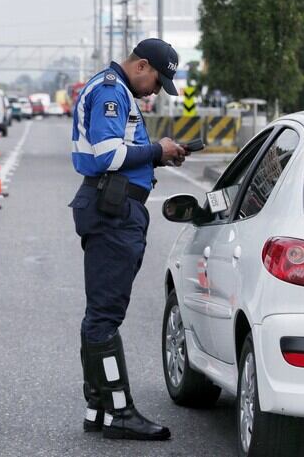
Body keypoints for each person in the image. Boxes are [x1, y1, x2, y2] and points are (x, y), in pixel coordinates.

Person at [69, 38, 191, 441]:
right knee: (104, 318)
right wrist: (157, 149)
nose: (157, 90)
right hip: (113, 212)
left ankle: (99, 407)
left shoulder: (116, 88)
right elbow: (107, 154)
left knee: (99, 315)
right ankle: (119, 412)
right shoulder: (110, 92)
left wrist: (160, 153)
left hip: (114, 209)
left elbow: (122, 149)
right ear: (141, 65)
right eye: (157, 81)